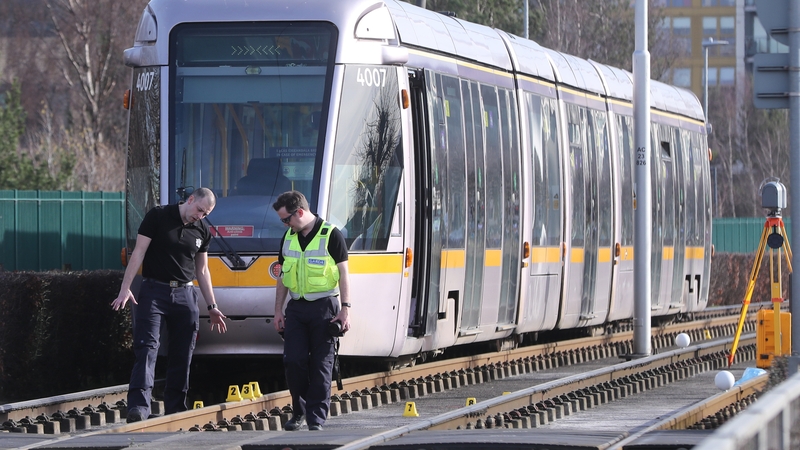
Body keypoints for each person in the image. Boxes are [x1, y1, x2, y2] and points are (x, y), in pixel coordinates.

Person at [111, 187, 228, 423]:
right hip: (154, 291)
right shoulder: (158, 216)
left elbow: (202, 270)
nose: (200, 216)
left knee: (183, 352)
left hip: (185, 294)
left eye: (205, 214)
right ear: (190, 199)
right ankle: (139, 407)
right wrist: (126, 288)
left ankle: (175, 408)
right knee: (147, 348)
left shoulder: (202, 230)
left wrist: (212, 305)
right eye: (199, 210)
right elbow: (138, 253)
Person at [272, 190, 351, 431]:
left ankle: (316, 418)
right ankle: (299, 412)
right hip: (297, 308)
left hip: (325, 308)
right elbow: (282, 276)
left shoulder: (331, 235)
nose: (285, 224)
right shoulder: (288, 237)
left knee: (321, 365)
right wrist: (278, 311)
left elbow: (344, 274)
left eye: (286, 219)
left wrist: (345, 309)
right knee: (293, 361)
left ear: (300, 212)